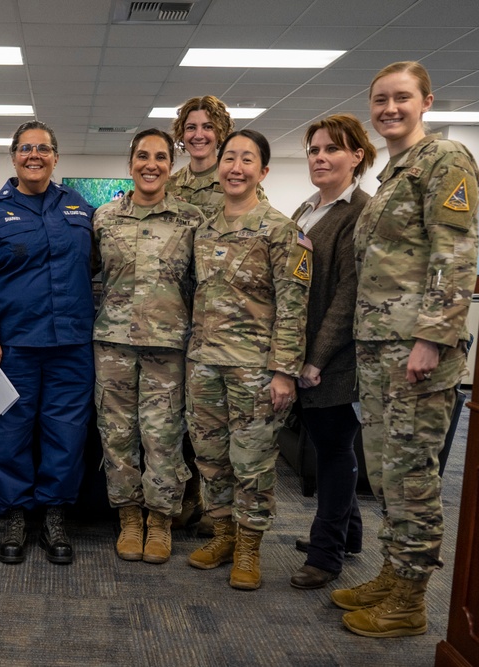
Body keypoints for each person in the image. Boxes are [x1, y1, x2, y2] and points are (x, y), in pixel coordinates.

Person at [333, 61, 479, 638]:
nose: (389, 108)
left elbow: (455, 252)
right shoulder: (395, 172)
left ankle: (410, 601)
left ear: (427, 103)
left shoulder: (445, 161)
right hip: (381, 353)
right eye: (380, 100)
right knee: (388, 476)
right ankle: (395, 574)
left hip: (416, 354)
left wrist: (431, 337)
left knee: (413, 477)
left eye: (401, 98)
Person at [0, 121, 96, 565]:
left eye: (43, 148)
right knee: (7, 433)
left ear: (56, 157)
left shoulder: (80, 208)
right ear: (13, 157)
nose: (34, 155)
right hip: (11, 348)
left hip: (71, 346)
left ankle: (54, 516)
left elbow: (99, 268)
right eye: (25, 148)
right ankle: (16, 514)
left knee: (67, 434)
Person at [185, 129, 310, 590]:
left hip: (256, 370)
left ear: (263, 171)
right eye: (229, 158)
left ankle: (250, 548)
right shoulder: (204, 228)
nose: (236, 167)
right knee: (211, 457)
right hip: (204, 365)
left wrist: (284, 372)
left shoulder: (281, 230)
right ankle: (223, 534)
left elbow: (294, 306)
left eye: (247, 160)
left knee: (253, 462)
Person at [92, 129, 204, 564]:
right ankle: (129, 519)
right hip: (113, 344)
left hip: (168, 346)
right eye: (143, 156)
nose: (151, 164)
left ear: (170, 166)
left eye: (160, 156)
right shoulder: (104, 218)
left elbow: (201, 285)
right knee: (117, 437)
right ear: (131, 162)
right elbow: (88, 274)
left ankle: (160, 521)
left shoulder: (190, 219)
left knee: (163, 437)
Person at [166, 95, 266, 532]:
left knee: (229, 431)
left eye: (208, 127)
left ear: (221, 133)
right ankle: (190, 496)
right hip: (178, 319)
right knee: (188, 421)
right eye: (191, 127)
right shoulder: (170, 185)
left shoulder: (240, 182)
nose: (198, 134)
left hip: (229, 324)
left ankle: (217, 512)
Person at [287, 115, 376, 590]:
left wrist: (316, 358)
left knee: (336, 451)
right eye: (314, 150)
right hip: (304, 349)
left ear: (356, 156)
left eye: (332, 150)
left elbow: (348, 294)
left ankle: (325, 555)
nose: (320, 158)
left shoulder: (358, 211)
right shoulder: (308, 208)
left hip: (332, 358)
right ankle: (351, 535)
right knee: (328, 446)